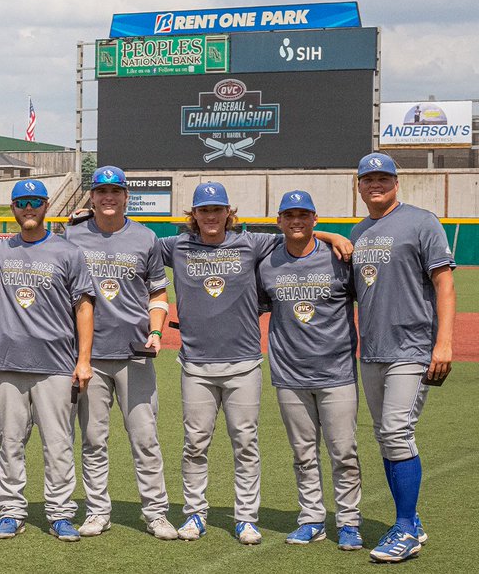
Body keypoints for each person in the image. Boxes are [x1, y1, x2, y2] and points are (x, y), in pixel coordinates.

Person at [158, 181, 350, 545]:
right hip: (196, 364)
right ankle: (195, 513)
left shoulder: (251, 243)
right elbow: (135, 247)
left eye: (217, 210)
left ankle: (245, 516)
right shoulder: (177, 246)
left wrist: (331, 236)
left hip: (244, 363)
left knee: (245, 442)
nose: (211, 216)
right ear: (193, 215)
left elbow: (296, 234)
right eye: (204, 210)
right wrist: (82, 222)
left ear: (228, 213)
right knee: (195, 443)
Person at [63, 166, 177, 541]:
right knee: (94, 438)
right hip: (89, 355)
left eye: (115, 190)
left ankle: (156, 512)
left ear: (126, 196)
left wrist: (157, 330)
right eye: (101, 191)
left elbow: (157, 295)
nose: (108, 197)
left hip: (134, 353)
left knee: (144, 436)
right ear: (91, 197)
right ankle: (97, 510)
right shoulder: (73, 236)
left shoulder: (145, 237)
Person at [351, 153, 455, 563]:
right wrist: (327, 237)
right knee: (387, 435)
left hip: (412, 347)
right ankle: (410, 522)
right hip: (372, 348)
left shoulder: (421, 221)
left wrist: (443, 343)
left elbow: (444, 284)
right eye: (368, 178)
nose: (376, 183)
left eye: (383, 177)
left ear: (397, 181)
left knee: (396, 431)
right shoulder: (359, 231)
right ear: (358, 185)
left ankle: (407, 527)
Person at [0, 179, 94, 542]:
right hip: (9, 363)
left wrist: (83, 360)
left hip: (56, 363)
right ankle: (12, 510)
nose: (28, 207)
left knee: (59, 442)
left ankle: (61, 513)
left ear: (46, 205)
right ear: (13, 208)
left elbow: (84, 306)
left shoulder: (68, 252)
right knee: (10, 441)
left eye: (34, 201)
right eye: (21, 202)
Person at [257, 190, 363, 551]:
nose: (296, 221)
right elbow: (250, 307)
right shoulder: (268, 262)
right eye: (290, 216)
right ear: (279, 221)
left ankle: (349, 521)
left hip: (337, 371)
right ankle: (312, 519)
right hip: (289, 374)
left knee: (343, 451)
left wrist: (334, 237)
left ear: (315, 220)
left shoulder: (339, 258)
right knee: (303, 454)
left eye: (304, 215)